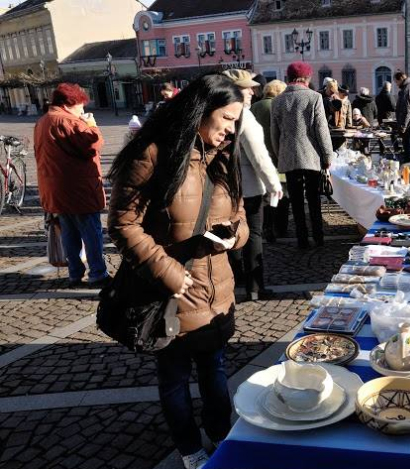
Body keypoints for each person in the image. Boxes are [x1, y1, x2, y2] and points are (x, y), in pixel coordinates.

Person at [107, 74, 249, 469]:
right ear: (200, 111)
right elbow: (122, 224)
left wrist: (233, 236)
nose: (231, 129)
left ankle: (221, 434)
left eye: (237, 121)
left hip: (216, 291)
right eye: (226, 118)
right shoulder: (152, 154)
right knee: (173, 379)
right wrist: (168, 272)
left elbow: (239, 215)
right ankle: (190, 449)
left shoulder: (222, 156)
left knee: (215, 369)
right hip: (170, 293)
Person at [34, 83, 109, 288]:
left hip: (56, 189)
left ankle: (75, 274)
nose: (82, 111)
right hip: (78, 189)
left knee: (69, 233)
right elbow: (92, 145)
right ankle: (98, 274)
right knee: (91, 232)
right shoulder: (66, 121)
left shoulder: (43, 121)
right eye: (80, 106)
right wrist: (91, 125)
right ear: (70, 103)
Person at [222, 69, 283, 302]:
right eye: (247, 87)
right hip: (248, 187)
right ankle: (255, 287)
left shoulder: (219, 113)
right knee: (253, 235)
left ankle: (236, 281)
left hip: (226, 187)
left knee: (233, 233)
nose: (252, 91)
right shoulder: (243, 115)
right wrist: (273, 184)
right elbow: (259, 156)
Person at [271, 61, 335, 248]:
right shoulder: (313, 97)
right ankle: (318, 236)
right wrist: (327, 157)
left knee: (296, 202)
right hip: (311, 156)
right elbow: (321, 130)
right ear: (307, 78)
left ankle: (302, 239)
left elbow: (274, 133)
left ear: (289, 78)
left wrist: (278, 154)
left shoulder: (278, 100)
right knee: (314, 199)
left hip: (289, 157)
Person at [251, 79, 289, 243]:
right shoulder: (279, 106)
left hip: (259, 156)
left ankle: (266, 226)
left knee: (265, 195)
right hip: (278, 156)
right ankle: (280, 227)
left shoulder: (255, 107)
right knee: (282, 194)